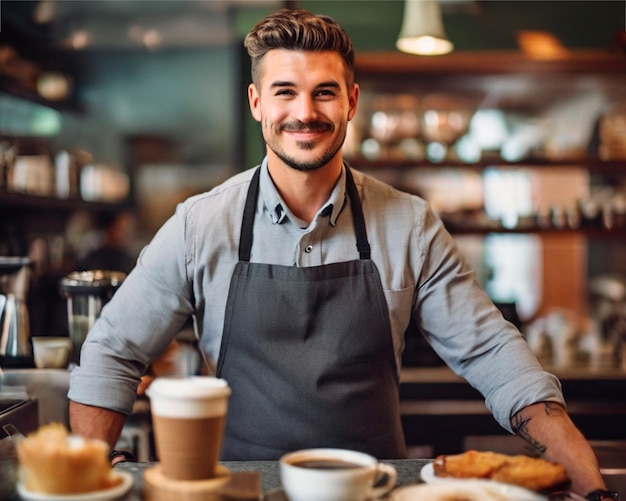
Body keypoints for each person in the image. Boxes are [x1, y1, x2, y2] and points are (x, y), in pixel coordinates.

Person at [68, 8, 617, 500]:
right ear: (258, 103)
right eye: (284, 91)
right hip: (239, 492)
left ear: (351, 100)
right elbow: (113, 350)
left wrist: (578, 465)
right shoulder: (199, 224)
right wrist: (90, 472)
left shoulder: (409, 223)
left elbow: (491, 352)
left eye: (324, 92)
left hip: (372, 490)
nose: (305, 112)